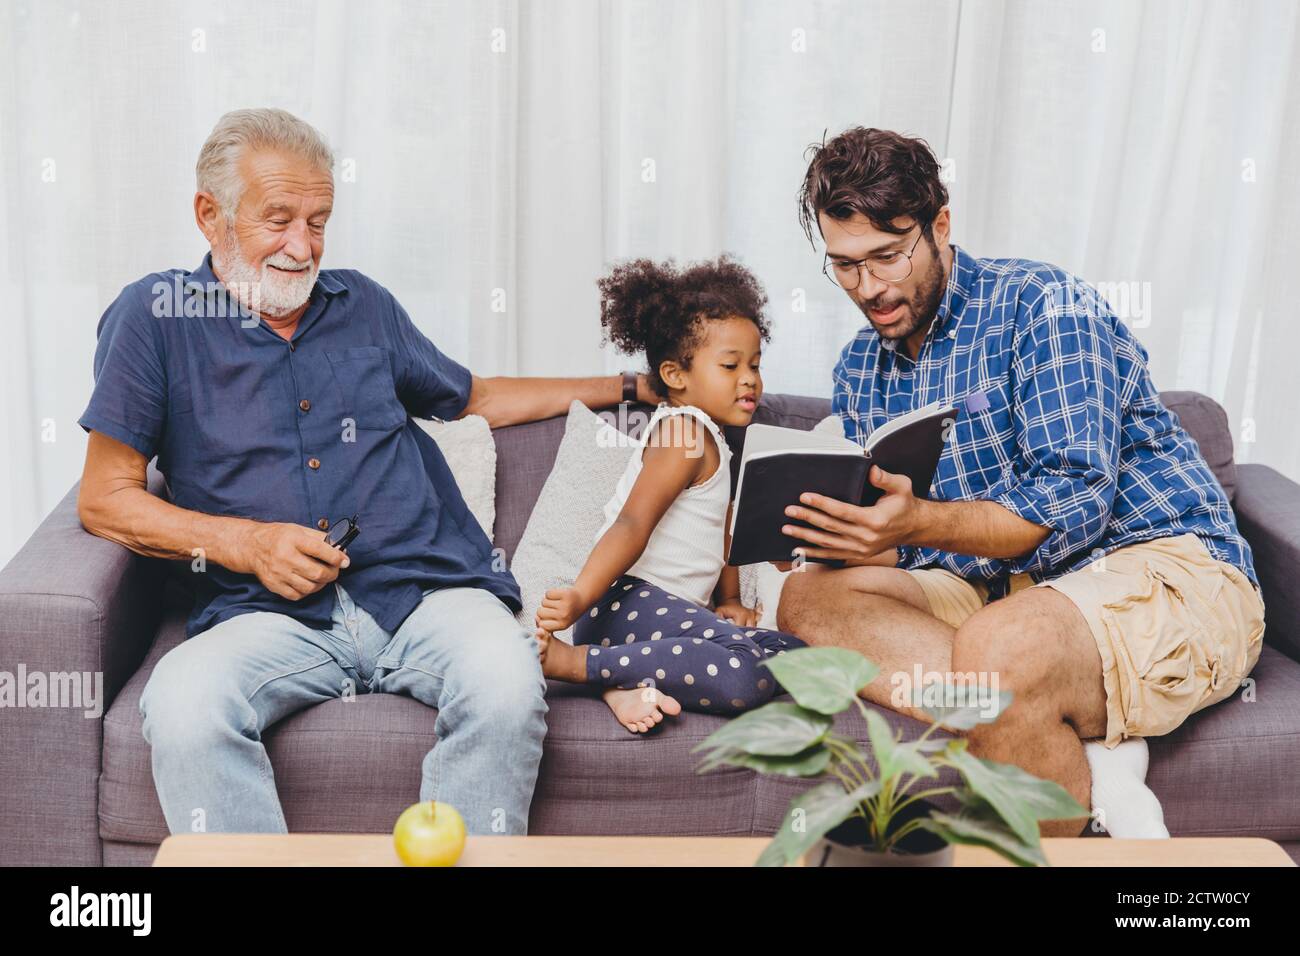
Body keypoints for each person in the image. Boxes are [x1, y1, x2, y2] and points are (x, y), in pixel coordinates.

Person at [75, 108, 658, 835]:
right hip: (267, 617)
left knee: (509, 681)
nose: (302, 246)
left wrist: (626, 389)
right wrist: (247, 544)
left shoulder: (365, 307)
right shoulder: (153, 319)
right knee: (185, 706)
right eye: (278, 218)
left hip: (423, 593)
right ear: (209, 214)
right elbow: (105, 500)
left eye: (318, 221)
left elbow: (473, 397)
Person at [774, 127, 1265, 838]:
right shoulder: (859, 366)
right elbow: (905, 543)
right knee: (811, 600)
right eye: (845, 266)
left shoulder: (1043, 305)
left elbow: (1074, 504)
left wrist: (919, 524)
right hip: (999, 593)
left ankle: (1026, 693)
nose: (869, 288)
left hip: (1161, 563)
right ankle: (1067, 735)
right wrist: (850, 533)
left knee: (1000, 649)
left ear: (940, 226)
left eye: (887, 256)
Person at [534, 256, 806, 733]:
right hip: (622, 605)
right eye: (730, 365)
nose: (749, 378)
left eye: (755, 365)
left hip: (655, 617)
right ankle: (574, 665)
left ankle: (621, 679)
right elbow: (631, 523)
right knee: (745, 671)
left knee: (800, 656)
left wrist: (729, 600)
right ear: (676, 375)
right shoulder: (683, 432)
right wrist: (580, 595)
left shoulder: (716, 439)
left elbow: (722, 527)